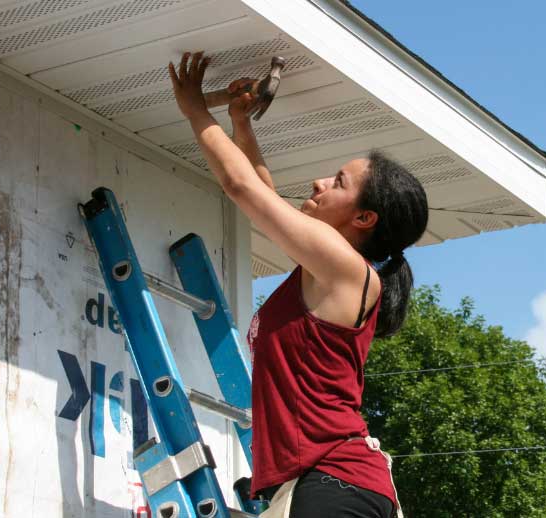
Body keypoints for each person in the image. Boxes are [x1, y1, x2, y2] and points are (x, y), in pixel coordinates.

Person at [169, 52, 427, 518]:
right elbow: (264, 193)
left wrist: (195, 109)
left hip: (335, 480)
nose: (319, 181)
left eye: (339, 182)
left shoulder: (346, 271)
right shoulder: (327, 273)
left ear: (363, 218)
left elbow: (244, 189)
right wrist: (241, 124)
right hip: (336, 482)